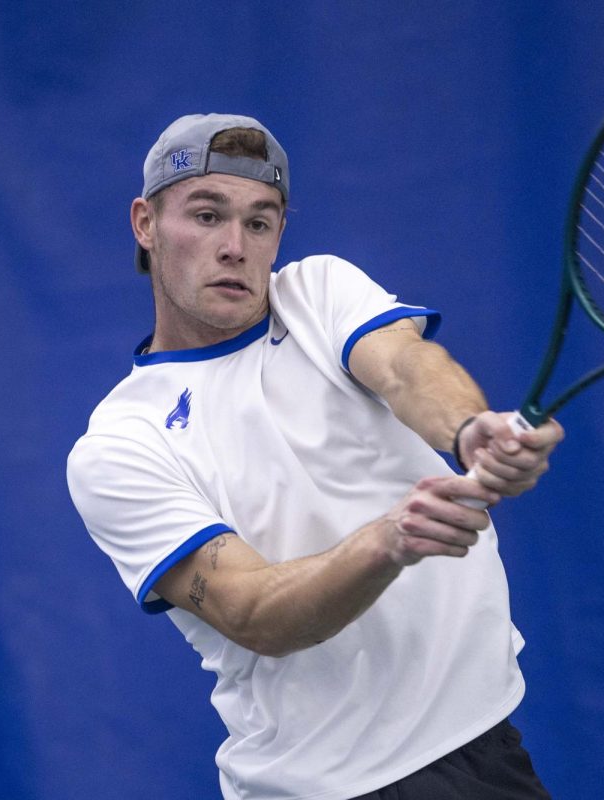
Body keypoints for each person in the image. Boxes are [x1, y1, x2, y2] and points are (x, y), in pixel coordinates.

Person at [66, 113, 565, 800]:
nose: (235, 246)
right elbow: (251, 611)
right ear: (145, 224)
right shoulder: (120, 443)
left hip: (483, 749)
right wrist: (390, 540)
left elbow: (405, 366)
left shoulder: (317, 293)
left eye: (260, 222)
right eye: (207, 216)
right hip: (324, 787)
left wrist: (470, 428)